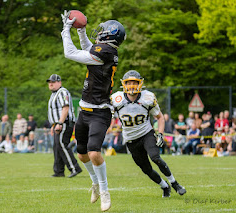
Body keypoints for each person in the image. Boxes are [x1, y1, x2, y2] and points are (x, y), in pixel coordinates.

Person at [61, 10, 126, 211]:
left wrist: (66, 30)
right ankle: (95, 184)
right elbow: (89, 49)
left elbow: (69, 53)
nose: (100, 32)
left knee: (94, 152)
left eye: (103, 30)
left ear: (110, 35)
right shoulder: (103, 50)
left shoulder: (106, 52)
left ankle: (105, 190)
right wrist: (81, 31)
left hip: (101, 111)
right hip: (85, 110)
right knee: (81, 155)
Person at [111, 70, 186, 198]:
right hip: (130, 140)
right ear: (124, 84)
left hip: (146, 134)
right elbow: (107, 117)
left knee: (155, 157)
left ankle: (175, 183)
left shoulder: (148, 97)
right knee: (146, 169)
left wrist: (161, 134)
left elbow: (160, 117)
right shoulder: (116, 99)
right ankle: (164, 186)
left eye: (135, 82)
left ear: (140, 83)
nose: (132, 85)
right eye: (129, 83)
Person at [47, 74, 82, 178]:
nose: (51, 84)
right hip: (58, 124)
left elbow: (65, 108)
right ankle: (59, 171)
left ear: (59, 82)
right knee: (57, 146)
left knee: (62, 144)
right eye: (49, 82)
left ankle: (74, 168)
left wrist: (60, 123)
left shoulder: (62, 92)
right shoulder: (54, 94)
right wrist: (54, 124)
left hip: (64, 123)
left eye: (53, 81)